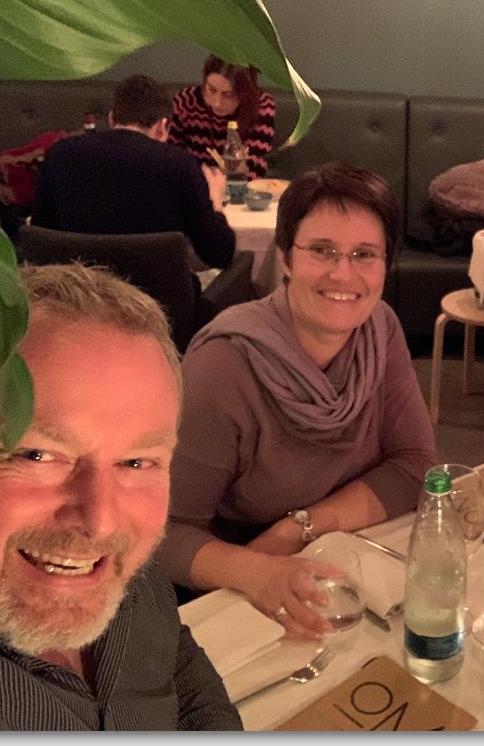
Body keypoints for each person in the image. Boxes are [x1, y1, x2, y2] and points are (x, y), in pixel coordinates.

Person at [156, 162, 437, 640]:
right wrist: (256, 569)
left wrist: (295, 531)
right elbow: (163, 534)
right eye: (322, 250)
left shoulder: (380, 330)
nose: (343, 273)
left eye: (364, 254)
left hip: (340, 565)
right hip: (236, 597)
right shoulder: (223, 367)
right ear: (285, 258)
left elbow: (413, 466)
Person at [0, 263, 241, 730]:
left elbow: (178, 669)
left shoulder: (121, 566)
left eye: (136, 463)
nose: (100, 520)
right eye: (37, 454)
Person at [32, 74, 236, 271]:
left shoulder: (59, 155)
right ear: (163, 126)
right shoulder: (180, 165)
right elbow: (219, 254)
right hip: (159, 294)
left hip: (81, 291)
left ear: (112, 118)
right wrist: (215, 201)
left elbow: (40, 239)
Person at [168, 54, 277, 181]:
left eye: (228, 95)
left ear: (244, 93)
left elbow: (255, 165)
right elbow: (172, 156)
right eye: (211, 89)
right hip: (192, 183)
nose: (217, 103)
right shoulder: (186, 101)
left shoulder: (261, 104)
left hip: (241, 186)